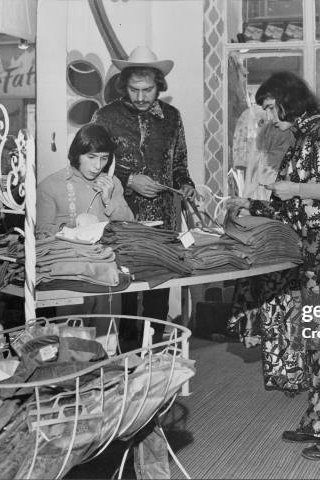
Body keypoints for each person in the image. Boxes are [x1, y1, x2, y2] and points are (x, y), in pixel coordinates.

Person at [227, 71, 320, 461]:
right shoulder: (299, 139)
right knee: (315, 341)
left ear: (288, 100)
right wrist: (253, 205)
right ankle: (319, 417)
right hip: (309, 254)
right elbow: (290, 206)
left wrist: (293, 188)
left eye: (272, 107)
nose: (270, 117)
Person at [92, 45, 196, 345]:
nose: (140, 97)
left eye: (147, 90)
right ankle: (127, 356)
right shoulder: (105, 116)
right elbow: (91, 163)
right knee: (127, 290)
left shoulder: (173, 118)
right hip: (122, 216)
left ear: (158, 86)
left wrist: (185, 184)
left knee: (159, 291)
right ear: (124, 86)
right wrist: (128, 179)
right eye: (134, 90)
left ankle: (156, 356)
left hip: (164, 220)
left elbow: (179, 166)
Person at [37, 123, 135, 335]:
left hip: (108, 271)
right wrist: (71, 229)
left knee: (107, 339)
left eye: (104, 158)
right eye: (91, 157)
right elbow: (41, 232)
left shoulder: (113, 183)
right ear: (77, 154)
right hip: (71, 274)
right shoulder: (50, 185)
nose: (97, 165)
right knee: (72, 341)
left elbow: (130, 225)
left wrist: (109, 200)